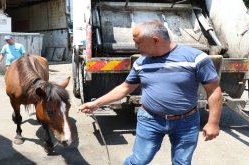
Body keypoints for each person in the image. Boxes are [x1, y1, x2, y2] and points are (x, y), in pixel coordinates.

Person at [78, 20, 222, 165]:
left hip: (186, 122)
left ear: (155, 40)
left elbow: (214, 90)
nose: (135, 46)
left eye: (138, 42)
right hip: (150, 120)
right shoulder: (141, 63)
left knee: (182, 162)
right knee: (139, 161)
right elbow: (125, 88)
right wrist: (96, 103)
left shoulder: (196, 59)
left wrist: (213, 122)